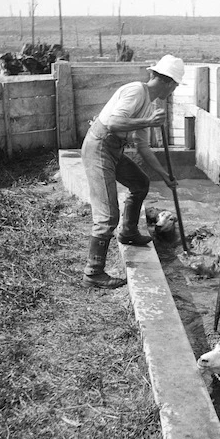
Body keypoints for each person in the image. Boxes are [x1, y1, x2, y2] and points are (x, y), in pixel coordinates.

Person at [80, 54, 184, 289]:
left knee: (140, 183)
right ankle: (93, 273)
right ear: (168, 82)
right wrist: (148, 121)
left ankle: (128, 232)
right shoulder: (136, 91)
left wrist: (165, 175)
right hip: (100, 146)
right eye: (176, 85)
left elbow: (142, 146)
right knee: (107, 215)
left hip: (113, 149)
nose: (175, 90)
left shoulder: (150, 103)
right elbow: (114, 123)